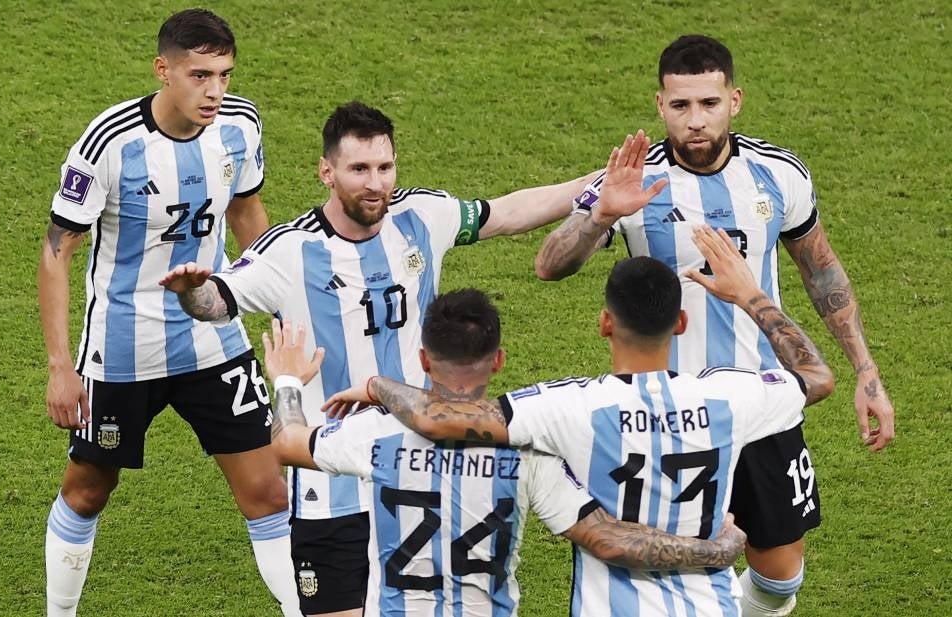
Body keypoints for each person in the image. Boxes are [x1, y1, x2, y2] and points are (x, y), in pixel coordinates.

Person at [322, 135, 836, 616]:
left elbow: (440, 419)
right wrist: (749, 294)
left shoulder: (568, 407)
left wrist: (377, 385)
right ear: (680, 322)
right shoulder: (733, 396)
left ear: (605, 323)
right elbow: (815, 375)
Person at [159, 101, 600, 617]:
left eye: (385, 167)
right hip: (329, 483)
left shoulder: (422, 217)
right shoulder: (289, 250)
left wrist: (593, 186)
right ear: (327, 172)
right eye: (359, 169)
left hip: (416, 473)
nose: (376, 184)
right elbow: (216, 303)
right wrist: (192, 291)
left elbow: (506, 213)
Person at [532, 35, 895, 615]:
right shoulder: (631, 180)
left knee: (780, 578)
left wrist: (866, 372)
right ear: (660, 105)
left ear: (735, 100)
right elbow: (549, 265)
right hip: (667, 413)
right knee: (664, 564)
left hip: (762, 400)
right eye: (681, 105)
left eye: (709, 103)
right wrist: (600, 215)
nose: (695, 119)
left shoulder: (778, 174)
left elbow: (822, 270)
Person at [263, 290, 747, 616]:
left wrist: (287, 379)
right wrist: (714, 551)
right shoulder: (529, 452)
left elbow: (286, 442)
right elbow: (610, 541)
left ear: (424, 359)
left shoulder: (374, 433)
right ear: (497, 360)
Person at [38, 9, 298, 616]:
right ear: (163, 70)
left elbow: (247, 214)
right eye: (200, 75)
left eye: (225, 75)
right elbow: (57, 252)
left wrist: (280, 308)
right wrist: (60, 366)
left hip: (214, 338)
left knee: (268, 491)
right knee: (88, 488)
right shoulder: (109, 143)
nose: (214, 91)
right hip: (123, 351)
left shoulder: (240, 126)